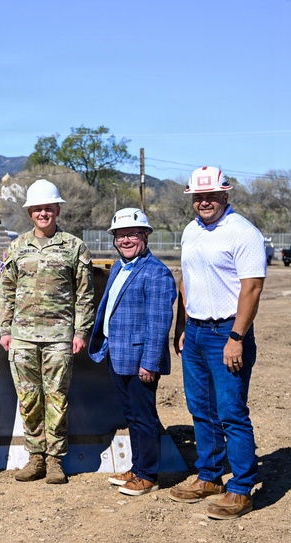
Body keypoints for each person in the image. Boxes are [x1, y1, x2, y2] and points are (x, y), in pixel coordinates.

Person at [168, 166, 266, 520]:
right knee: (200, 408)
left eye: (211, 196)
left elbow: (252, 288)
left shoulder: (242, 233)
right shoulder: (191, 230)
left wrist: (237, 337)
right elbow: (185, 279)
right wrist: (182, 326)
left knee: (231, 412)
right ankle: (209, 476)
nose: (204, 202)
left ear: (226, 195)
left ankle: (241, 488)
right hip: (194, 331)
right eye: (199, 196)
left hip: (227, 331)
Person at [0, 179, 94, 484]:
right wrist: (5, 329)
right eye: (38, 209)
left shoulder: (74, 246)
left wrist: (81, 332)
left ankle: (55, 460)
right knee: (28, 399)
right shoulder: (17, 246)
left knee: (57, 398)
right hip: (22, 336)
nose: (43, 213)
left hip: (59, 336)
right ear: (30, 213)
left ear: (57, 209)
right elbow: (7, 289)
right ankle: (35, 458)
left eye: (48, 208)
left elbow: (85, 294)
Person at [88, 208, 176, 496]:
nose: (125, 240)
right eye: (120, 235)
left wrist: (149, 364)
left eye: (132, 234)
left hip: (140, 361)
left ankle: (148, 474)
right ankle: (138, 468)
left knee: (144, 416)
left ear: (146, 235)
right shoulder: (118, 267)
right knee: (132, 416)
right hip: (118, 354)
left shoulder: (157, 273)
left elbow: (159, 324)